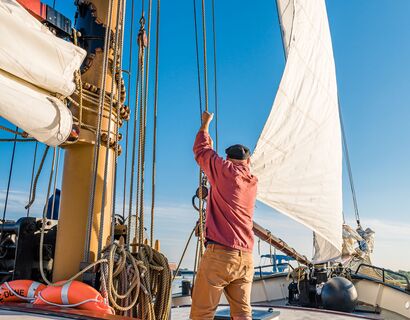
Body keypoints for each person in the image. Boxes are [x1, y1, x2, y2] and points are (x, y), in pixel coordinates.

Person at [190, 111, 258, 320]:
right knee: (242, 314)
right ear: (247, 162)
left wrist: (205, 125)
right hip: (246, 259)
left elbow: (202, 151)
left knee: (202, 313)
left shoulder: (225, 170)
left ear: (228, 159)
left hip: (221, 256)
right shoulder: (252, 181)